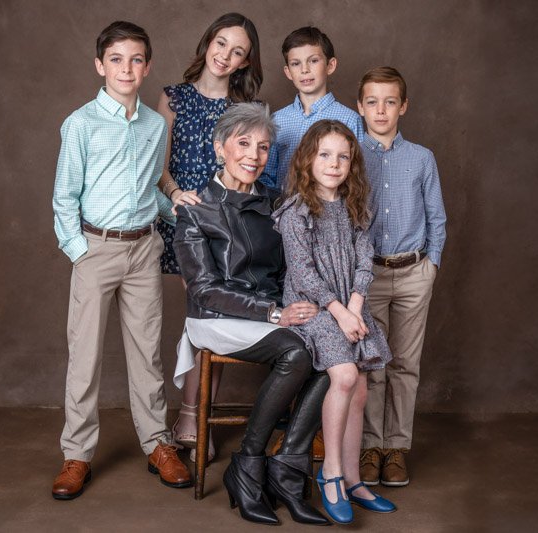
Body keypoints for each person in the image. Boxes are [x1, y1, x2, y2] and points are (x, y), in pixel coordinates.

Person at [50, 21, 191, 500]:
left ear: (147, 66)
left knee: (147, 354)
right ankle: (77, 454)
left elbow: (152, 188)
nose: (126, 68)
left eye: (136, 60)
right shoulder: (81, 123)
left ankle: (157, 443)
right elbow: (65, 197)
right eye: (116, 59)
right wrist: (80, 251)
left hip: (143, 249)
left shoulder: (154, 126)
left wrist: (183, 214)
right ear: (100, 65)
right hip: (96, 249)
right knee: (84, 356)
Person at [173, 103, 330, 526]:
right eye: (244, 143)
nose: (254, 155)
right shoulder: (194, 209)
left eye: (263, 147)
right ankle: (248, 462)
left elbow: (289, 269)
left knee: (332, 351)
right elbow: (205, 290)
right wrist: (275, 313)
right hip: (216, 319)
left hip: (272, 315)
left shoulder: (277, 204)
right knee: (297, 353)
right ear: (220, 146)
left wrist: (304, 309)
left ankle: (287, 470)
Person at [273, 120, 397, 524]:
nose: (334, 163)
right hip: (313, 308)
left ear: (352, 164)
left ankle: (354, 480)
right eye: (325, 154)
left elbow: (365, 256)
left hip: (350, 303)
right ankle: (329, 476)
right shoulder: (295, 212)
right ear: (308, 159)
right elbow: (303, 272)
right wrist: (339, 311)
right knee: (343, 375)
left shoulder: (355, 204)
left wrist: (356, 304)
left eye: (343, 156)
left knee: (359, 386)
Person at [155, 13, 263, 463]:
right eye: (221, 44)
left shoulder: (249, 110)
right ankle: (192, 416)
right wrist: (178, 194)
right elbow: (157, 169)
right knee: (205, 312)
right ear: (208, 43)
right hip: (185, 221)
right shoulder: (172, 98)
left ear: (244, 62)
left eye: (237, 51)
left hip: (231, 227)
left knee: (216, 316)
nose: (226, 56)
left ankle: (195, 417)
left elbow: (254, 169)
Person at [356, 67, 447, 488]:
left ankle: (397, 448)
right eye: (372, 101)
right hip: (367, 276)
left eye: (390, 102)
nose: (381, 109)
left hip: (413, 274)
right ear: (360, 107)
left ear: (403, 107)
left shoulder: (422, 158)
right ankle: (370, 446)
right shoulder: (352, 154)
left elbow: (437, 218)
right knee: (373, 364)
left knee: (405, 364)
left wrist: (431, 266)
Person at [258, 26, 363, 194]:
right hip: (283, 212)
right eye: (295, 63)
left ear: (330, 65)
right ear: (288, 72)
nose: (304, 69)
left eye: (313, 61)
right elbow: (267, 176)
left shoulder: (349, 119)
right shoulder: (276, 120)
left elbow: (357, 176)